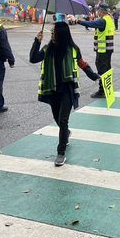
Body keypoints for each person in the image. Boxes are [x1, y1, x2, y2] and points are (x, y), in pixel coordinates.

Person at [30, 20, 100, 166]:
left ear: (61, 34)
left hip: (67, 89)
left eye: (53, 31)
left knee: (63, 120)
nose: (51, 33)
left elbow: (83, 64)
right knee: (57, 118)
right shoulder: (47, 48)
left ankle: (61, 152)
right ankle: (66, 133)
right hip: (52, 89)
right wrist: (36, 41)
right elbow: (33, 58)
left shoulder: (73, 49)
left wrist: (94, 76)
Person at [70, 4, 115, 98]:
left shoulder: (103, 21)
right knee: (107, 70)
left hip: (103, 51)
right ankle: (108, 89)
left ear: (102, 11)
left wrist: (77, 20)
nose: (97, 12)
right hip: (108, 50)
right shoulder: (109, 19)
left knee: (102, 71)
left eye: (98, 10)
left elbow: (91, 24)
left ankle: (102, 91)